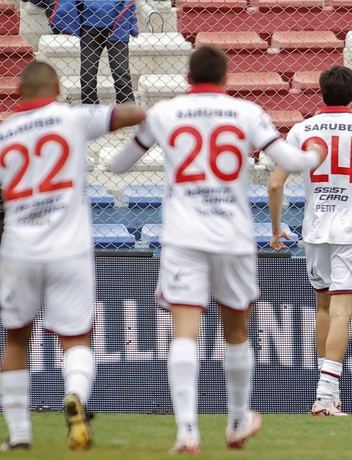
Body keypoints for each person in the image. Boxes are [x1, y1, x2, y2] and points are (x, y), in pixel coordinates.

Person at [107, 46, 322, 452]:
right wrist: (315, 154)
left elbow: (119, 165)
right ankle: (238, 420)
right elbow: (290, 161)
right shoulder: (246, 112)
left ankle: (187, 430)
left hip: (184, 234)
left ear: (188, 76)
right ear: (226, 77)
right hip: (232, 235)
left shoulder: (166, 112)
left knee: (184, 333)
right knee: (236, 332)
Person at [0, 61, 145, 451]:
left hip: (19, 247)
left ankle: (19, 436)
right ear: (58, 86)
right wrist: (150, 115)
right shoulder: (72, 118)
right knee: (77, 338)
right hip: (69, 247)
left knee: (16, 339)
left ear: (19, 92)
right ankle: (76, 398)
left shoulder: (4, 132)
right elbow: (126, 113)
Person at [267, 65, 352, 416]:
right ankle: (326, 395)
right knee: (343, 309)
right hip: (349, 231)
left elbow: (275, 184)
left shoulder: (302, 129)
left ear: (321, 92)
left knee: (323, 308)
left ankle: (328, 390)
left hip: (315, 230)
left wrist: (276, 229)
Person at [50, 0, 138, 104]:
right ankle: (90, 110)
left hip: (117, 26)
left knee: (121, 73)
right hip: (89, 28)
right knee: (87, 75)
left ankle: (127, 110)